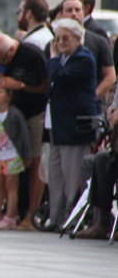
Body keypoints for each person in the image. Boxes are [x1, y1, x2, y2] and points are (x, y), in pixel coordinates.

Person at [0, 34, 49, 229]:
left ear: (11, 50)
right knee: (11, 169)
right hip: (12, 114)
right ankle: (7, 212)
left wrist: (20, 85)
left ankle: (31, 213)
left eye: (1, 60)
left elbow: (46, 85)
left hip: (34, 112)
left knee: (35, 161)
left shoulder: (31, 55)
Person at [45, 18, 98, 229]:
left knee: (72, 175)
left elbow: (59, 76)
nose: (60, 42)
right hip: (59, 125)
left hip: (75, 126)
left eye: (65, 38)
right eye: (57, 39)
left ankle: (72, 218)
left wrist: (52, 58)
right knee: (56, 175)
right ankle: (56, 217)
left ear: (78, 39)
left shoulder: (83, 58)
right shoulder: (65, 58)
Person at [0, 86, 31, 230]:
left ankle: (10, 216)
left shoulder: (15, 114)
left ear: (9, 96)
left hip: (12, 155)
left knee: (10, 186)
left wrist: (26, 155)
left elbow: (24, 136)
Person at [59, 0, 115, 112]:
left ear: (84, 12)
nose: (74, 14)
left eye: (77, 10)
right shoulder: (55, 43)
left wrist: (91, 97)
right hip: (62, 110)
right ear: (62, 14)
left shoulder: (98, 41)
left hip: (90, 109)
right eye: (69, 10)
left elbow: (110, 76)